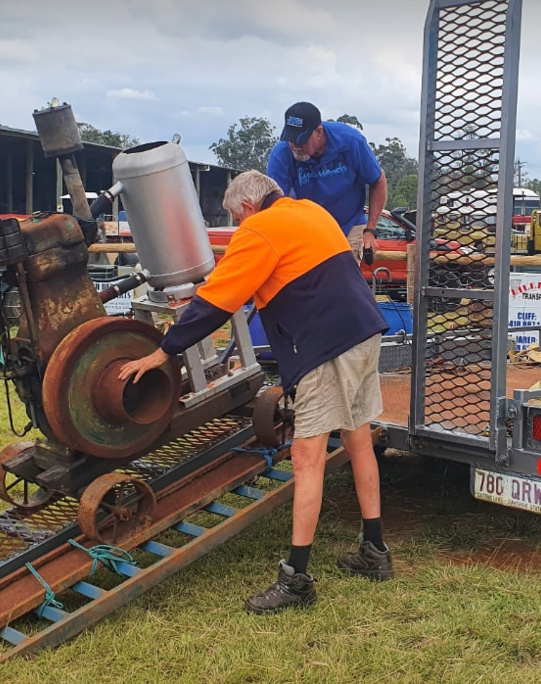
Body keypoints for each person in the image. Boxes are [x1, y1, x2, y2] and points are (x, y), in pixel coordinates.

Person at [118, 170, 393, 615]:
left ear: (246, 207)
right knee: (359, 436)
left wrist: (163, 352)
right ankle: (375, 552)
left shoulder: (259, 230)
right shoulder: (309, 211)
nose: (237, 224)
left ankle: (296, 580)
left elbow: (215, 302)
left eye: (233, 216)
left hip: (329, 346)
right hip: (363, 332)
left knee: (306, 457)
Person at [266, 101, 387, 262]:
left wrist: (370, 230)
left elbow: (378, 180)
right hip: (307, 229)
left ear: (319, 132)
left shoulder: (350, 141)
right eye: (291, 139)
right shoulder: (281, 154)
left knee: (342, 280)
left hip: (350, 225)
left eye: (301, 140)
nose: (295, 146)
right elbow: (275, 202)